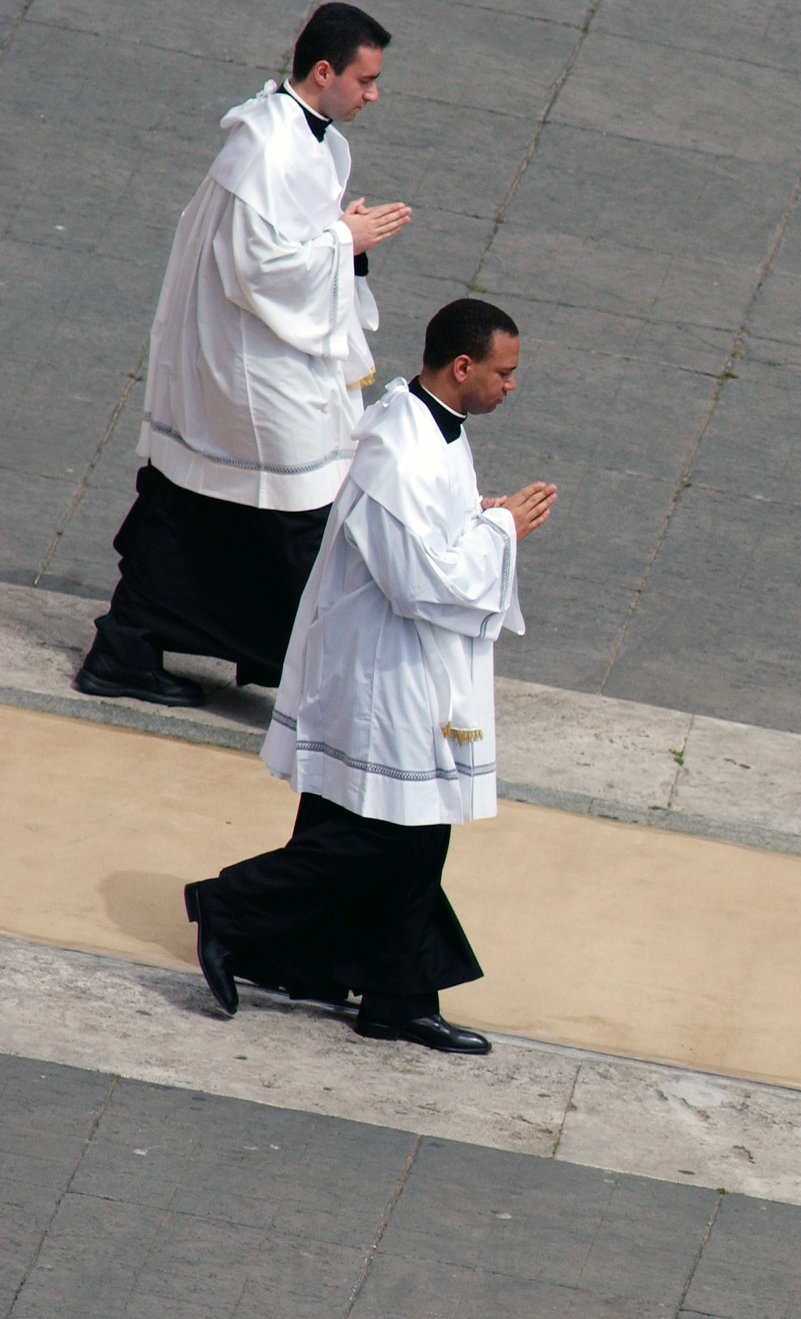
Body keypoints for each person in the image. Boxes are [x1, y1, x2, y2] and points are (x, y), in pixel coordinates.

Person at [184, 299, 557, 1055]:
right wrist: (501, 529)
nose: (512, 386)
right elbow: (418, 579)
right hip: (387, 676)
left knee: (400, 835)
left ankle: (386, 992)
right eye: (504, 372)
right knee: (386, 839)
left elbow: (427, 531)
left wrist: (476, 514)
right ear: (462, 366)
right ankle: (230, 908)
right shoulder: (401, 448)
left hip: (410, 666)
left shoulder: (431, 430)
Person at [75, 3, 410, 707]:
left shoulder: (306, 139)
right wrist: (342, 243)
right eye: (366, 79)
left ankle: (137, 646)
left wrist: (340, 241)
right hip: (252, 365)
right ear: (325, 72)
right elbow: (259, 269)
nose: (374, 95)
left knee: (203, 505)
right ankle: (320, 682)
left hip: (265, 354)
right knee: (297, 514)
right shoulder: (264, 148)